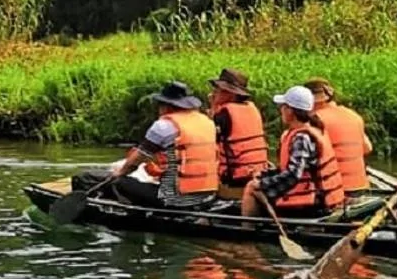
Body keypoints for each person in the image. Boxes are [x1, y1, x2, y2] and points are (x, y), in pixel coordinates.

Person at [72, 81, 219, 208]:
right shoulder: (207, 122)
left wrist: (118, 174)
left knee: (118, 182)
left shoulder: (164, 125)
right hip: (208, 194)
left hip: (175, 199)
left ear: (166, 106)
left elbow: (133, 163)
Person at [242, 86, 345, 218]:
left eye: (283, 107)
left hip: (310, 203)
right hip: (319, 198)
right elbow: (295, 169)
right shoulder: (313, 130)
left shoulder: (301, 137)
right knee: (257, 183)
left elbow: (293, 175)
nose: (281, 111)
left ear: (291, 111)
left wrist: (262, 184)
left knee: (251, 188)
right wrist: (264, 174)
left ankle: (247, 232)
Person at [208, 68, 269, 199]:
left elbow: (208, 143)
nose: (214, 92)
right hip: (258, 172)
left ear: (231, 93)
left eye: (219, 89)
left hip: (234, 177)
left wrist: (213, 110)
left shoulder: (224, 114)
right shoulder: (252, 108)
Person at [304, 77, 372, 194]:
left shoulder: (314, 121)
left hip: (333, 192)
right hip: (361, 187)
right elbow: (368, 148)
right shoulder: (353, 116)